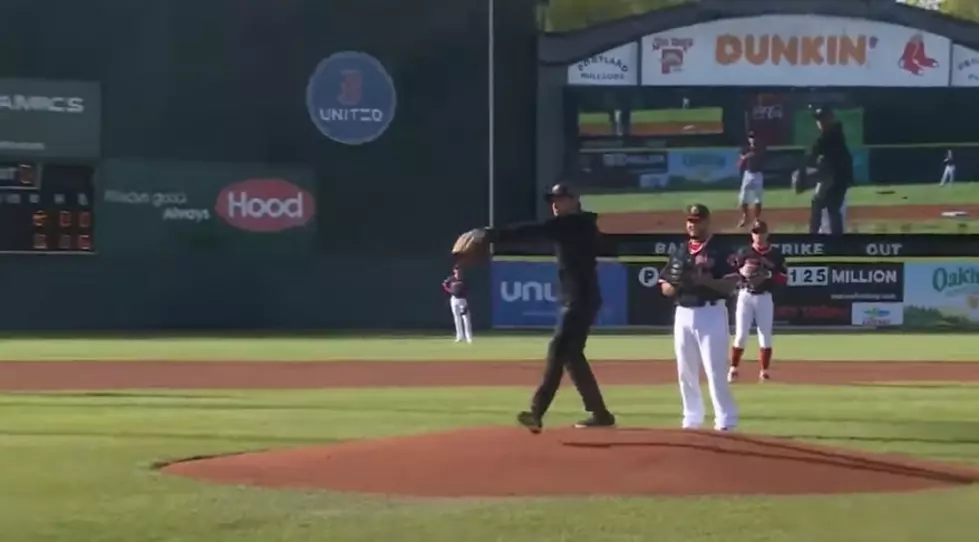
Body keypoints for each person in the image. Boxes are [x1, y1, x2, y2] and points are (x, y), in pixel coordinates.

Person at [484, 183, 615, 433]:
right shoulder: (577, 224)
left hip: (580, 300)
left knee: (558, 350)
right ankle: (600, 414)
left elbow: (534, 231)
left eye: (561, 198)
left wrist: (492, 234)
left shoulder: (575, 224)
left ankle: (536, 411)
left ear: (575, 200)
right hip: (579, 298)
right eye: (553, 199)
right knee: (572, 356)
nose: (555, 203)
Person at [659, 204, 740, 431]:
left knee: (715, 371)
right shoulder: (680, 250)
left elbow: (730, 285)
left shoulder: (721, 249)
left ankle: (726, 419)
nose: (692, 225)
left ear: (706, 221)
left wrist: (705, 281)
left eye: (697, 220)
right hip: (683, 313)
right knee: (685, 371)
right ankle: (691, 417)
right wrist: (676, 284)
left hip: (711, 312)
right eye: (689, 221)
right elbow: (664, 285)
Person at [728, 220, 787, 382]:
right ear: (751, 234)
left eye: (761, 232)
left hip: (764, 296)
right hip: (745, 295)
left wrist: (767, 275)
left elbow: (784, 278)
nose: (758, 235)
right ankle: (733, 368)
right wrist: (742, 272)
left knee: (765, 335)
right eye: (755, 232)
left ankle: (765, 371)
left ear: (767, 234)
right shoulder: (744, 252)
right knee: (740, 334)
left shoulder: (775, 254)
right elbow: (731, 273)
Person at [802, 106, 853, 235]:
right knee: (823, 205)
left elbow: (813, 154)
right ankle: (816, 236)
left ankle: (828, 238)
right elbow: (812, 156)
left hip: (838, 180)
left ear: (830, 118)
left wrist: (806, 172)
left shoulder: (832, 136)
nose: (820, 122)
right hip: (830, 178)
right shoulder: (828, 136)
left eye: (823, 118)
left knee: (831, 207)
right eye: (818, 119)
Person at [737, 131, 765, 228]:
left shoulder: (761, 147)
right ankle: (745, 217)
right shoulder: (745, 148)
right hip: (748, 174)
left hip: (758, 174)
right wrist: (743, 159)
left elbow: (757, 154)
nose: (752, 139)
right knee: (743, 197)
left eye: (754, 137)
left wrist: (747, 156)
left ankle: (756, 219)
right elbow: (740, 162)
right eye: (750, 137)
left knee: (758, 198)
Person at [442, 266, 473, 343]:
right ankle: (459, 336)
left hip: (462, 299)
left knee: (465, 318)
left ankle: (468, 337)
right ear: (454, 271)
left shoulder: (464, 280)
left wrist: (466, 302)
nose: (458, 272)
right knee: (457, 318)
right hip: (454, 299)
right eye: (456, 270)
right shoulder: (451, 279)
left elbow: (467, 290)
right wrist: (450, 291)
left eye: (459, 270)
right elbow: (444, 284)